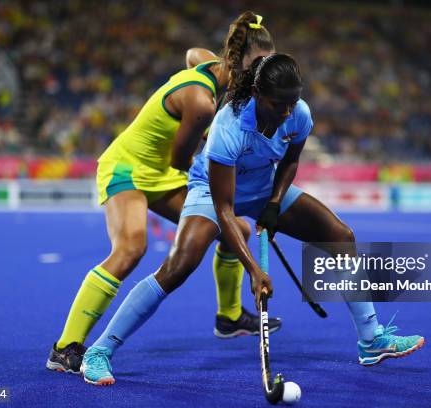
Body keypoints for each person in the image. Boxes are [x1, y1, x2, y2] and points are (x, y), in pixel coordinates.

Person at [81, 53, 425, 386]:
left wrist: (274, 204)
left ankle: (371, 340)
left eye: (293, 102)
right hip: (212, 192)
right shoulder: (228, 127)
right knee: (178, 266)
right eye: (279, 104)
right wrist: (254, 270)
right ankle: (100, 351)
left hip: (263, 187)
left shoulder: (298, 114)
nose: (287, 112)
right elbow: (225, 209)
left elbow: (290, 161)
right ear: (258, 94)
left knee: (340, 235)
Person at [46, 12, 281, 375]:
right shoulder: (202, 103)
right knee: (131, 249)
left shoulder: (213, 68)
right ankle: (65, 348)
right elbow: (180, 159)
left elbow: (191, 53)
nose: (264, 73)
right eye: (258, 64)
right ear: (238, 63)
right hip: (128, 167)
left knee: (238, 232)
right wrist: (215, 154)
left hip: (161, 174)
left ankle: (229, 317)